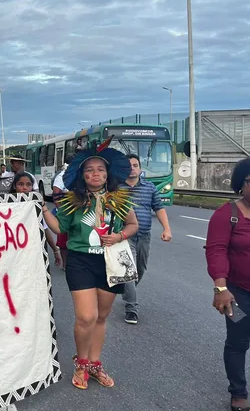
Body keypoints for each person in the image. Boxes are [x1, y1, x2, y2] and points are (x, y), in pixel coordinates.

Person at [41, 139, 138, 390]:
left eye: (100, 169)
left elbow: (132, 225)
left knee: (101, 317)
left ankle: (95, 364)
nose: (95, 173)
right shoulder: (74, 201)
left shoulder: (119, 199)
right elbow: (59, 228)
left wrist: (119, 236)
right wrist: (43, 210)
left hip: (110, 262)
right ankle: (81, 363)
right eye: (89, 170)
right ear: (82, 176)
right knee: (86, 316)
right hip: (81, 261)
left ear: (107, 174)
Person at [205, 157, 250, 411]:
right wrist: (221, 288)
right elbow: (216, 250)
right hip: (237, 293)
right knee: (238, 342)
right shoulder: (227, 215)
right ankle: (239, 392)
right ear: (241, 184)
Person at [121, 154, 172, 324]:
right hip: (125, 236)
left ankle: (129, 291)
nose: (132, 168)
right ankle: (131, 308)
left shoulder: (149, 187)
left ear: (140, 168)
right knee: (129, 271)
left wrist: (167, 229)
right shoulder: (116, 188)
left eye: (135, 165)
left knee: (140, 269)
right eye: (129, 166)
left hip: (144, 236)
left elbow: (159, 208)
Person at [10, 172, 61, 268]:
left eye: (28, 185)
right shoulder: (5, 206)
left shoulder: (36, 207)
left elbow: (44, 229)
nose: (24, 188)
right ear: (14, 186)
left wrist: (55, 250)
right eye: (21, 184)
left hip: (31, 251)